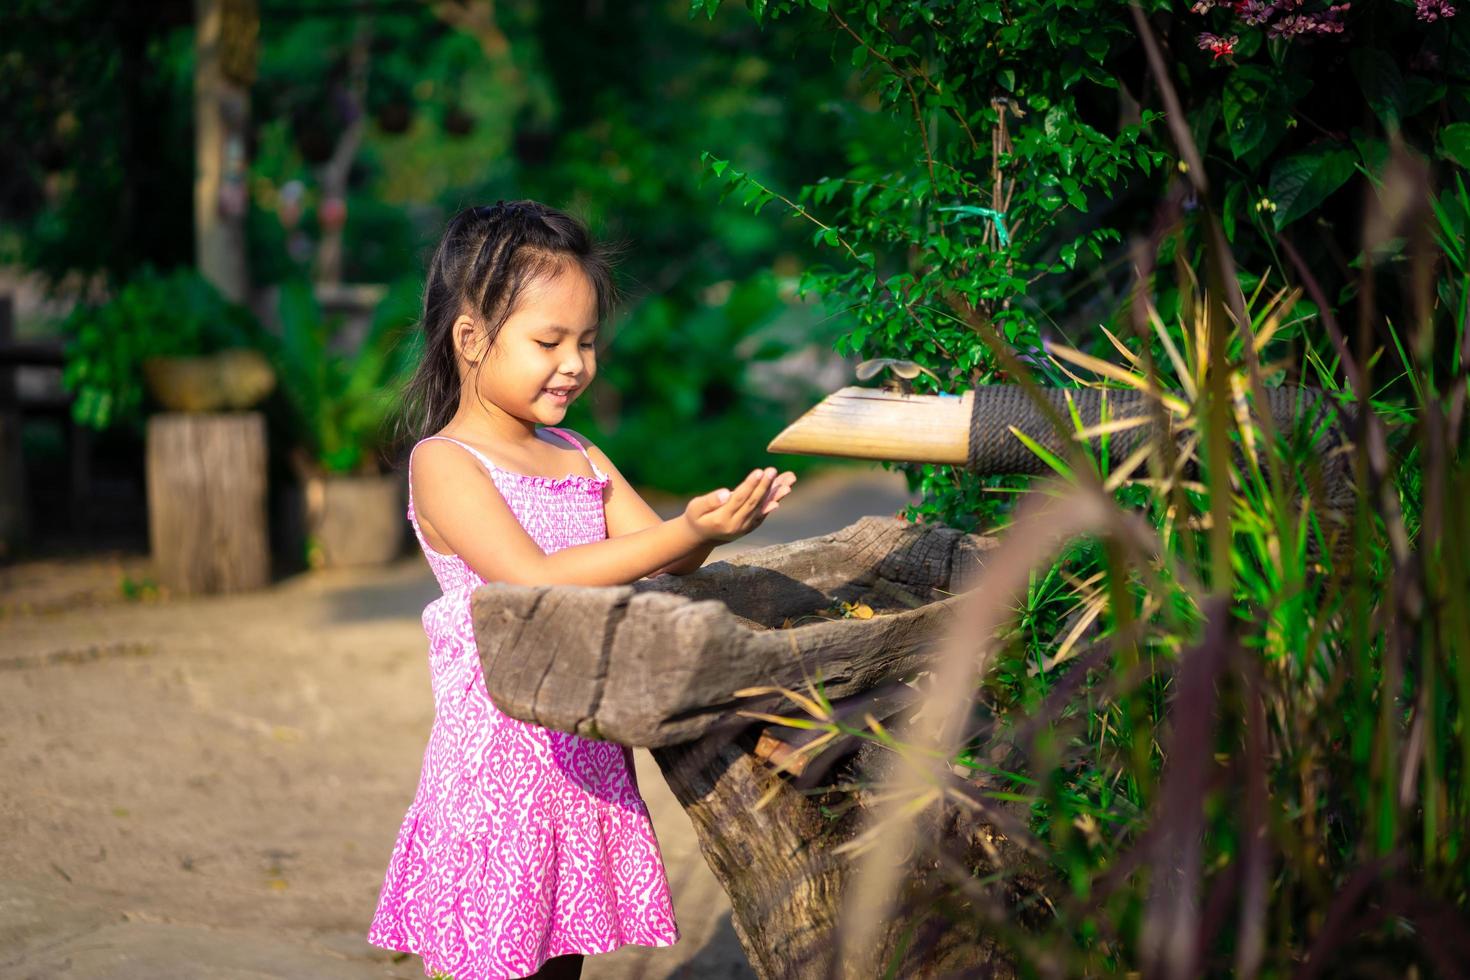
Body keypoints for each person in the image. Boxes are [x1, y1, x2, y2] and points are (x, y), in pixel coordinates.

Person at [366, 199, 796, 980]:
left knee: (560, 968)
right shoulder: (446, 461)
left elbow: (659, 560)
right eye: (548, 341)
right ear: (470, 340)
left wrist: (707, 529)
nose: (575, 363)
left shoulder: (578, 453)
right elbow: (530, 580)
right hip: (497, 786)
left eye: (587, 342)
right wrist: (679, 532)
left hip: (580, 768)